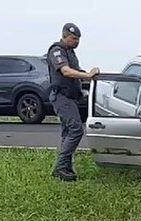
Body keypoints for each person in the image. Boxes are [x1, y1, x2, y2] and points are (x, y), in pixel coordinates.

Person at [46, 23, 100, 181]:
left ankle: (65, 168)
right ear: (64, 36)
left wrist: (90, 73)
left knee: (68, 132)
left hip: (71, 97)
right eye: (73, 39)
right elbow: (66, 71)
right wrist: (87, 76)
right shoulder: (57, 51)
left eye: (78, 39)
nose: (76, 42)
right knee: (76, 130)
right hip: (61, 97)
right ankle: (61, 167)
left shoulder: (70, 53)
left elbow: (76, 70)